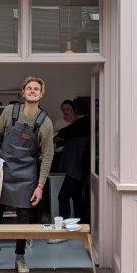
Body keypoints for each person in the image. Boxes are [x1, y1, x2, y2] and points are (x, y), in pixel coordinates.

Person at [0, 76, 54, 273]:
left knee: (23, 216)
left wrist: (40, 186)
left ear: (41, 94)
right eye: (29, 88)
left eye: (36, 89)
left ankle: (20, 256)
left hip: (27, 173)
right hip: (3, 169)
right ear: (23, 92)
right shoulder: (9, 112)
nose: (32, 91)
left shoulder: (45, 122)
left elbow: (48, 156)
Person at [48, 98, 90, 244]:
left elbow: (60, 136)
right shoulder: (85, 124)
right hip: (80, 168)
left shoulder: (78, 125)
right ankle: (78, 230)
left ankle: (64, 231)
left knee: (63, 197)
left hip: (75, 168)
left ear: (76, 110)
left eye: (70, 110)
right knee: (77, 197)